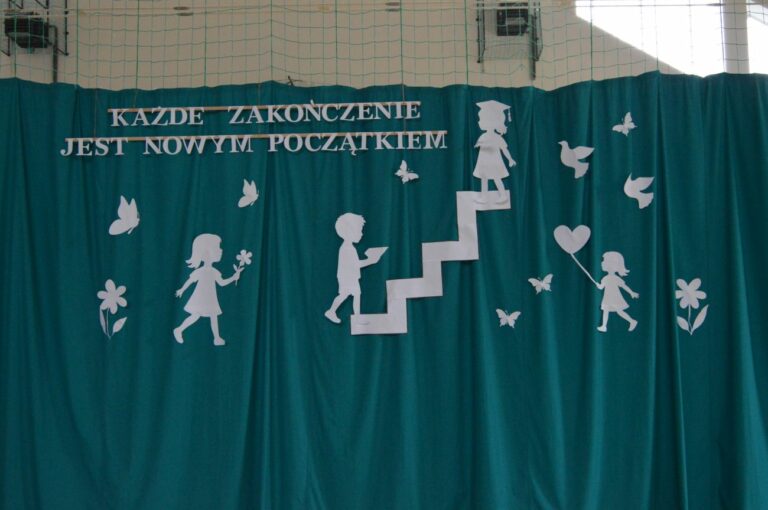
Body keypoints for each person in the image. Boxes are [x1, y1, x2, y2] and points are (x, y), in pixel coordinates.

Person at [174, 233, 241, 346]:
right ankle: (179, 329)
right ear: (206, 252)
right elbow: (190, 281)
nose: (221, 250)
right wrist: (181, 290)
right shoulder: (202, 271)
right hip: (200, 297)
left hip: (210, 298)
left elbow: (222, 283)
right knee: (197, 315)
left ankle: (216, 338)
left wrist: (233, 277)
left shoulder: (214, 271)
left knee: (213, 315)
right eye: (218, 248)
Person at [324, 213, 384, 324]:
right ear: (349, 232)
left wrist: (370, 260)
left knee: (355, 294)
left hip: (349, 276)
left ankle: (355, 317)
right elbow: (355, 265)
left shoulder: (348, 247)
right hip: (347, 277)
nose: (361, 234)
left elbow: (354, 264)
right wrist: (371, 260)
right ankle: (332, 311)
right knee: (346, 295)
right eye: (359, 231)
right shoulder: (347, 248)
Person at [473, 99, 516, 203]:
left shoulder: (497, 137)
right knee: (484, 178)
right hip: (484, 161)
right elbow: (478, 144)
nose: (479, 122)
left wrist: (510, 159)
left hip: (494, 161)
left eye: (482, 119)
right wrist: (479, 144)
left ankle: (503, 196)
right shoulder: (483, 136)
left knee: (496, 178)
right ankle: (484, 197)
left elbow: (504, 149)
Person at [596, 251, 639, 332]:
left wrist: (631, 292)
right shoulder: (605, 278)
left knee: (619, 311)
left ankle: (632, 321)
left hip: (615, 297)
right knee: (606, 310)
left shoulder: (615, 278)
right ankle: (604, 326)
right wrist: (599, 285)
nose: (602, 263)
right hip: (607, 297)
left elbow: (624, 286)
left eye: (604, 261)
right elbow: (601, 287)